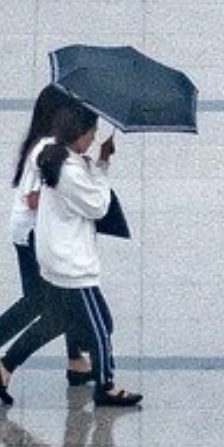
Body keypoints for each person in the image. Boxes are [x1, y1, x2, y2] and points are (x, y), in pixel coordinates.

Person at [0, 84, 93, 404]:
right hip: (37, 235)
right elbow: (34, 198)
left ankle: (76, 362)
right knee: (48, 301)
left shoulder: (46, 142)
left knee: (56, 298)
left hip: (32, 233)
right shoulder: (46, 146)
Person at [35, 103, 142, 407]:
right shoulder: (69, 171)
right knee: (98, 328)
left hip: (62, 258)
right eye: (92, 133)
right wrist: (103, 168)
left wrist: (101, 160)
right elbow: (97, 206)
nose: (94, 139)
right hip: (72, 264)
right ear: (78, 134)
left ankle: (17, 365)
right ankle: (105, 385)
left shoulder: (63, 160)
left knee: (91, 322)